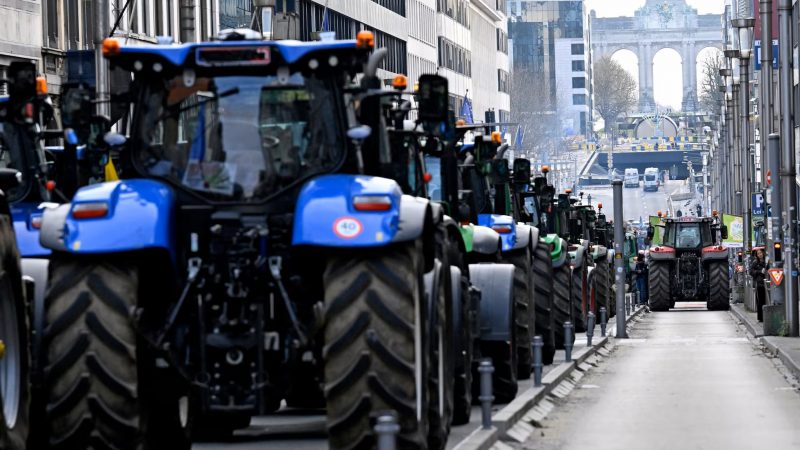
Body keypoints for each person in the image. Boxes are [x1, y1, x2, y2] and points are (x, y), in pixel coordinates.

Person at [750, 248, 767, 322]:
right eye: (758, 253)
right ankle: (761, 317)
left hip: (767, 282)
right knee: (760, 300)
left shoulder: (767, 262)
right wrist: (759, 272)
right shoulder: (755, 262)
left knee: (767, 299)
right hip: (760, 283)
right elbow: (751, 271)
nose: (760, 254)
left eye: (761, 253)